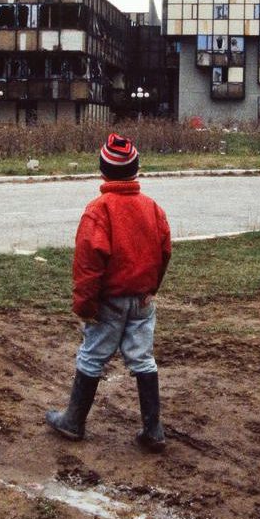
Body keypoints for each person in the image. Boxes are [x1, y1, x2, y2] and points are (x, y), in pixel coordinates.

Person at [46, 133, 172, 452]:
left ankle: (73, 421)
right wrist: (150, 289)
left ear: (102, 170)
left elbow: (88, 265)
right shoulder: (152, 209)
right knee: (142, 358)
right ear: (136, 170)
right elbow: (164, 251)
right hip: (143, 301)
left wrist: (85, 305)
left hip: (109, 302)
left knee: (92, 356)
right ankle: (153, 430)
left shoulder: (98, 210)